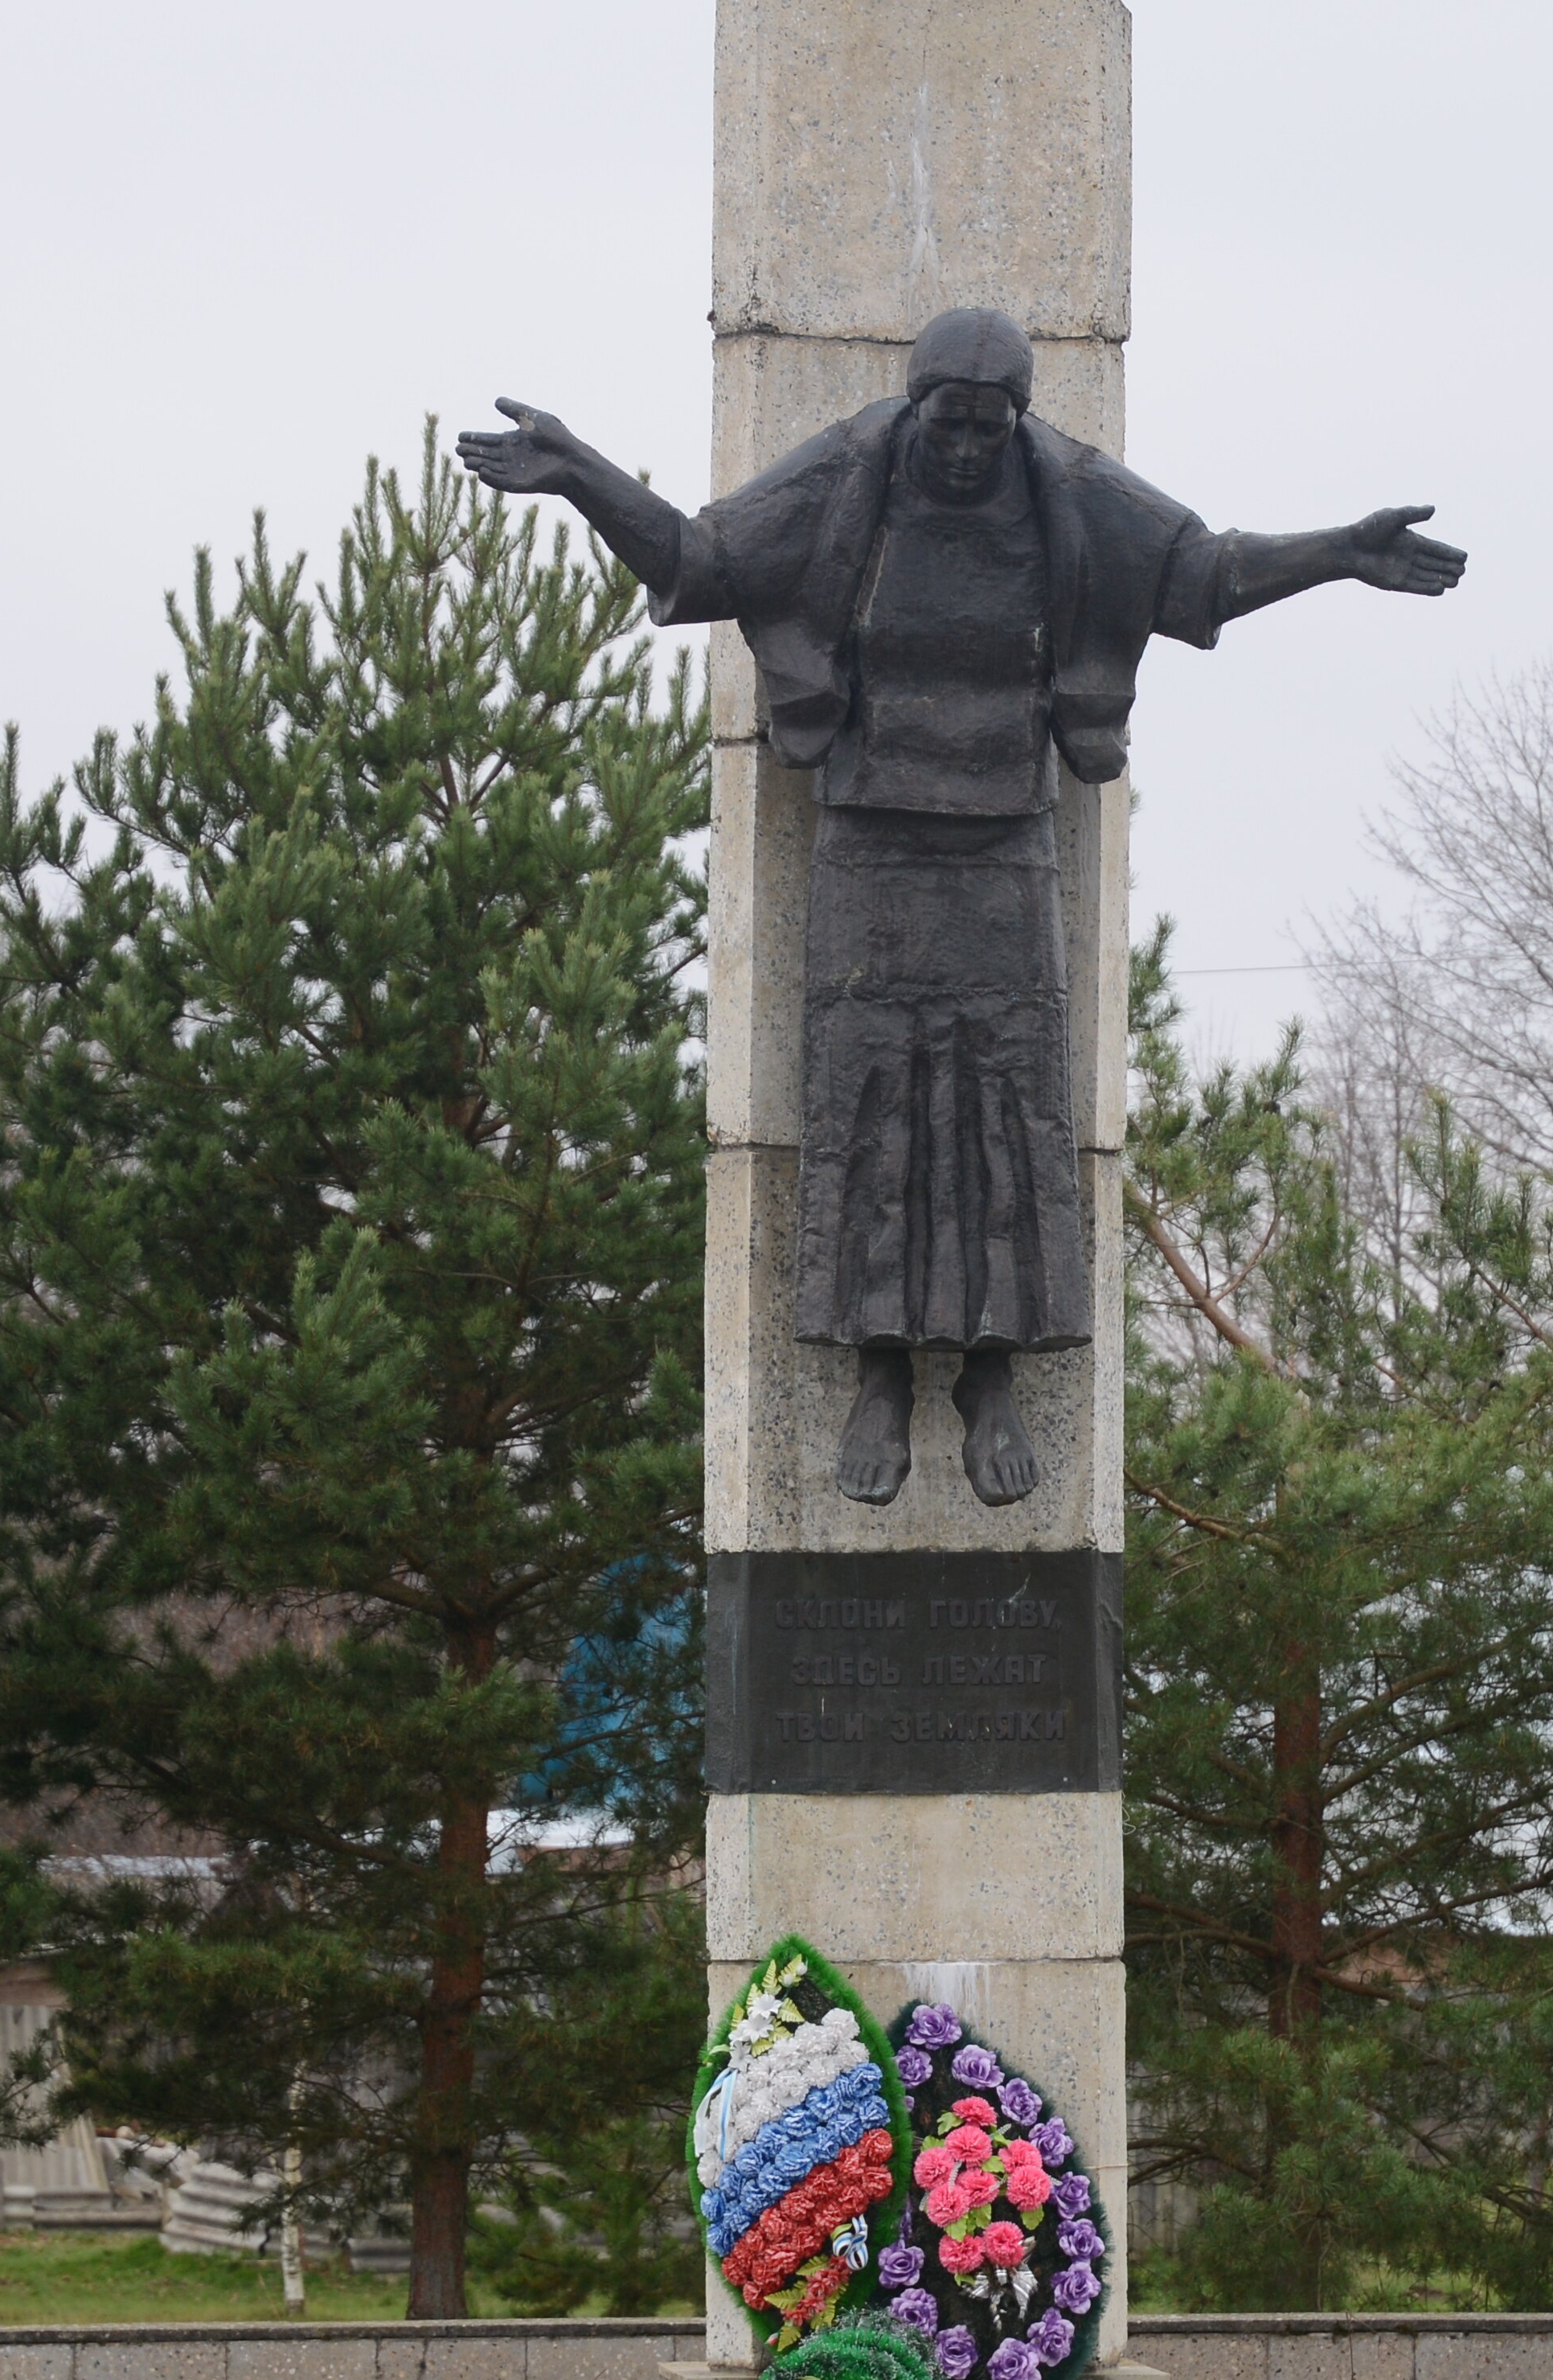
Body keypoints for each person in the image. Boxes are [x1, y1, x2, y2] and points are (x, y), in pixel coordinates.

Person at [459, 306, 1461, 1503]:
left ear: (1019, 420)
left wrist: (1342, 550)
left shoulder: (1069, 492)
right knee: (865, 1101)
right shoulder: (849, 473)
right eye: (953, 424)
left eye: (992, 428)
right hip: (869, 834)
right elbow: (700, 562)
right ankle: (880, 1373)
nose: (970, 450)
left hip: (1005, 840)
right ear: (918, 406)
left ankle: (991, 1373)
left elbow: (1200, 573)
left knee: (1010, 1104)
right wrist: (582, 475)